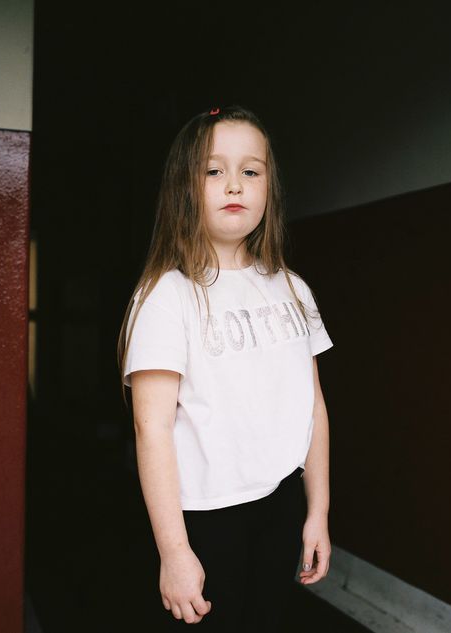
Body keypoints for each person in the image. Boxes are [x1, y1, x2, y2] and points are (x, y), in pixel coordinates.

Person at [117, 105, 334, 630]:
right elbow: (152, 429)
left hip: (281, 500)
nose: (233, 183)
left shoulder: (292, 288)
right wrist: (173, 551)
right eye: (214, 170)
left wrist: (318, 512)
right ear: (183, 189)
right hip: (205, 517)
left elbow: (314, 408)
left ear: (268, 190)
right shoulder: (165, 297)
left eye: (250, 171)